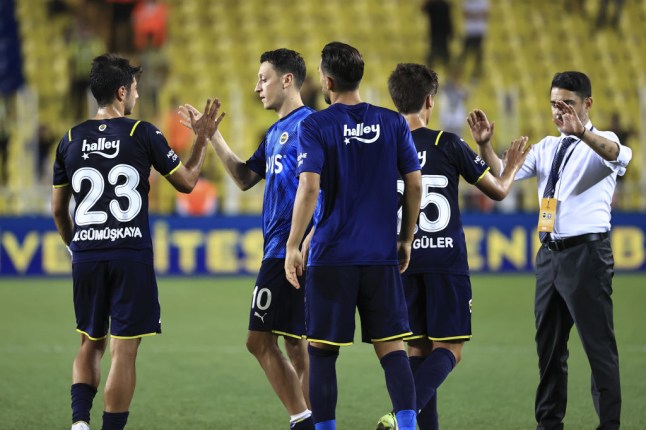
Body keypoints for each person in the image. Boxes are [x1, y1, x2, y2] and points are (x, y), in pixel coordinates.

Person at [51, 53, 224, 430]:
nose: (137, 97)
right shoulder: (141, 132)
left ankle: (79, 422)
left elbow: (59, 212)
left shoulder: (69, 139)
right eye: (134, 89)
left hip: (88, 254)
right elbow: (188, 182)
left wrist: (74, 247)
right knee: (123, 352)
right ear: (121, 92)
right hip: (130, 255)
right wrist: (203, 140)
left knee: (89, 342)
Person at [469, 71, 631, 430]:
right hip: (550, 257)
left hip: (587, 257)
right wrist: (484, 146)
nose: (561, 112)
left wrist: (583, 133)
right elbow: (501, 175)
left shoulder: (602, 140)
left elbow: (620, 156)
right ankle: (549, 423)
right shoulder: (547, 147)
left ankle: (610, 425)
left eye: (568, 105)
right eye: (556, 105)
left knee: (598, 347)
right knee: (549, 348)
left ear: (587, 104)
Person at [377, 62, 528, 430]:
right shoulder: (448, 143)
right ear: (430, 101)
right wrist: (508, 164)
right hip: (445, 261)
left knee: (416, 350)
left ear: (395, 101)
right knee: (450, 350)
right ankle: (401, 418)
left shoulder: (383, 146)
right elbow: (499, 190)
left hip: (401, 262)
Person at [284, 41, 422, 430]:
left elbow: (309, 188)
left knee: (323, 354)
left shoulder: (315, 125)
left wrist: (294, 244)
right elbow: (415, 184)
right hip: (380, 255)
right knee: (393, 349)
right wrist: (405, 238)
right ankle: (408, 426)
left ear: (327, 81)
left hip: (331, 257)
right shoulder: (393, 122)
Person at [180, 48, 316, 430]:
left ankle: (303, 421)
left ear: (287, 80)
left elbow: (324, 189)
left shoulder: (311, 126)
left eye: (264, 78)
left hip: (289, 251)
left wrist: (303, 243)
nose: (257, 87)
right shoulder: (276, 132)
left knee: (258, 340)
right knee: (295, 345)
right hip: (283, 250)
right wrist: (212, 136)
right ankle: (313, 421)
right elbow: (243, 178)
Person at [421, 0, 453, 68]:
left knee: (443, 51)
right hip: (435, 32)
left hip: (442, 33)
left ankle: (445, 67)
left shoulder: (444, 4)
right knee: (435, 51)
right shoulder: (432, 5)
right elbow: (423, 9)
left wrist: (451, 31)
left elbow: (449, 19)